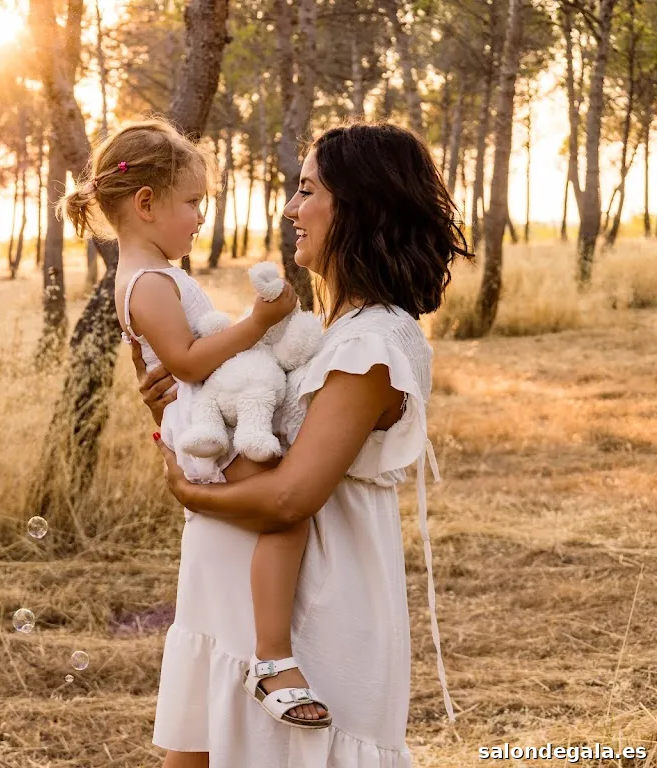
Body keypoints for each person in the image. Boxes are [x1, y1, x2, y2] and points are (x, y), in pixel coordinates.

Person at [137, 122, 473, 768]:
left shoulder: (371, 345)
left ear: (358, 205)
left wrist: (186, 485)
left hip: (321, 615)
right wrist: (187, 405)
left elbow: (291, 495)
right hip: (253, 606)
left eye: (307, 190)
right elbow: (263, 443)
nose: (291, 208)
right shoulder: (330, 332)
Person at [59, 118, 332, 732]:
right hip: (204, 425)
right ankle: (271, 654)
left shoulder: (157, 274)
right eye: (193, 203)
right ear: (147, 204)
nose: (200, 218)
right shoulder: (149, 282)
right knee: (286, 512)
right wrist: (259, 323)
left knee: (283, 514)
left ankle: (268, 649)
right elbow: (184, 360)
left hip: (212, 411)